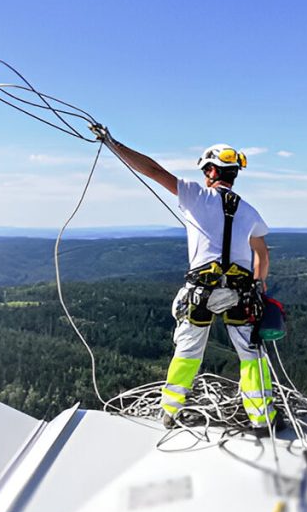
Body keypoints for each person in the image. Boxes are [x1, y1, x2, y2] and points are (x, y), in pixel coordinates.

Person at [90, 125, 278, 433]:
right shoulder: (249, 210)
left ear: (211, 170)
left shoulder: (196, 194)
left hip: (200, 292)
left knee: (188, 351)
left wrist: (113, 144)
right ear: (232, 174)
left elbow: (152, 169)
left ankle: (170, 412)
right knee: (251, 354)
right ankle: (261, 417)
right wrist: (259, 285)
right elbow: (262, 254)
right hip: (240, 293)